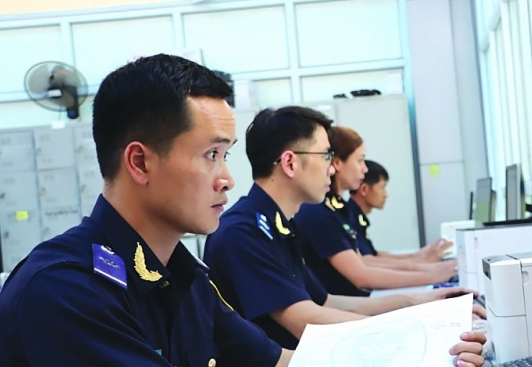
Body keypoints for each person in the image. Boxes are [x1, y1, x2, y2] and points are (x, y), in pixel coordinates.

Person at [0, 54, 512, 367]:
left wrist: (430, 361)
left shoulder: (177, 271)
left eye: (226, 155)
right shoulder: (66, 287)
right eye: (211, 155)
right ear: (139, 162)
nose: (228, 178)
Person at [203, 106, 474, 350]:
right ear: (290, 162)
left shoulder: (279, 226)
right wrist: (418, 327)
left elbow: (328, 303)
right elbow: (307, 320)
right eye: (326, 156)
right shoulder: (244, 232)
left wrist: (424, 303)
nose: (332, 169)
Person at [295, 126, 457, 296]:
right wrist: (431, 274)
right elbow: (362, 275)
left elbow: (364, 261)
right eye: (359, 160)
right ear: (337, 163)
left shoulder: (334, 208)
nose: (364, 169)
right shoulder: (317, 213)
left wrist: (422, 265)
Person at [348, 159, 453, 262]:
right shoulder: (349, 219)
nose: (386, 195)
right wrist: (422, 261)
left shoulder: (355, 217)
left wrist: (417, 255)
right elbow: (368, 262)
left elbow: (374, 255)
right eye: (382, 187)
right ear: (364, 190)